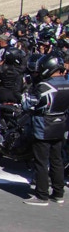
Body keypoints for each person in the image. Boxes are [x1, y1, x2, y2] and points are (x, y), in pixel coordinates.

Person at [23, 52, 69, 205]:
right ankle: (58, 193)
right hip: (60, 124)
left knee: (41, 162)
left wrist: (26, 92)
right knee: (57, 160)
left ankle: (42, 195)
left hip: (44, 125)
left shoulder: (44, 86)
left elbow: (28, 104)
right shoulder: (66, 83)